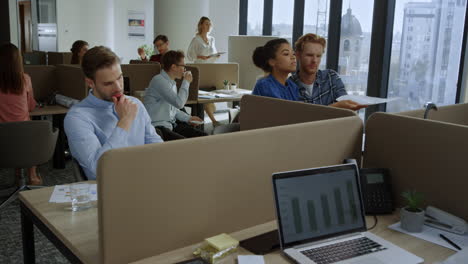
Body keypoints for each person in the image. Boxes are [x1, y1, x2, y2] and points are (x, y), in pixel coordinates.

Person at [64, 46, 163, 180]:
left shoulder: (135, 104)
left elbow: (158, 148)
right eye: (108, 83)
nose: (118, 87)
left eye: (120, 78)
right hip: (112, 189)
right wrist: (125, 121)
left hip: (145, 179)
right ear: (90, 83)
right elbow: (98, 170)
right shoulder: (77, 118)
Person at [290, 33, 367, 111]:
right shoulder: (289, 86)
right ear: (298, 55)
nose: (314, 60)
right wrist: (335, 107)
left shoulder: (331, 77)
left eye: (318, 56)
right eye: (309, 55)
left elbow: (346, 110)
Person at [0, 43, 41, 185]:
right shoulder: (25, 79)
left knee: (11, 132)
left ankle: (18, 175)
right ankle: (32, 175)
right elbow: (31, 106)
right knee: (32, 132)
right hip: (24, 136)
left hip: (3, 138)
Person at [144, 50, 207, 140]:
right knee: (186, 144)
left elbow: (174, 109)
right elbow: (179, 103)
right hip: (158, 127)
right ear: (173, 67)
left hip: (171, 125)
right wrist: (186, 82)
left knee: (203, 137)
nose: (185, 69)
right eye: (183, 66)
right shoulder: (159, 81)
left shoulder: (172, 82)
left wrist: (188, 118)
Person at [187, 16, 221, 126]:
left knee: (210, 97)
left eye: (209, 24)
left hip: (210, 69)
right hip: (199, 69)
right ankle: (213, 120)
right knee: (203, 95)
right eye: (206, 23)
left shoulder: (212, 39)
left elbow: (213, 54)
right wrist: (200, 57)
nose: (208, 26)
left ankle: (212, 119)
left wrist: (216, 56)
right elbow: (190, 55)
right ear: (201, 25)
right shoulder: (196, 39)